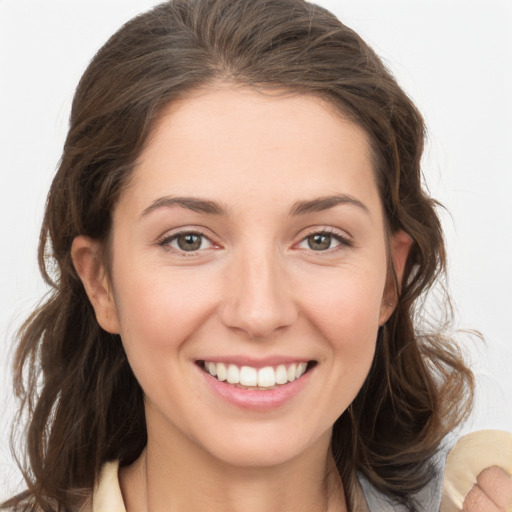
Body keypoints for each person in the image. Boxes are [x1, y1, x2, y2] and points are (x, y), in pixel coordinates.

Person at [1, 0, 511, 511]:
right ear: (101, 284)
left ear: (389, 279)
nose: (259, 312)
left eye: (320, 239)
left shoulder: (479, 490)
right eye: (189, 240)